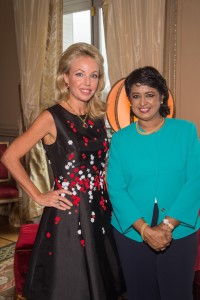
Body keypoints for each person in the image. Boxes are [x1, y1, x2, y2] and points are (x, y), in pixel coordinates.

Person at [1, 42, 125, 300]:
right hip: (68, 217)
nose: (87, 82)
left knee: (100, 285)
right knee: (70, 287)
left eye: (93, 75)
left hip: (100, 211)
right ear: (65, 78)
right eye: (79, 74)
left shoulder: (99, 117)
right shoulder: (52, 117)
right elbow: (11, 155)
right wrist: (37, 195)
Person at [106, 66, 200, 300]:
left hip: (180, 227)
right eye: (136, 96)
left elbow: (195, 180)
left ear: (161, 96)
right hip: (131, 230)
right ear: (130, 101)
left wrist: (166, 226)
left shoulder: (186, 131)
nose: (143, 102)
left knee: (177, 293)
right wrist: (145, 230)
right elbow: (116, 189)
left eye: (149, 94)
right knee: (140, 294)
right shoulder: (120, 139)